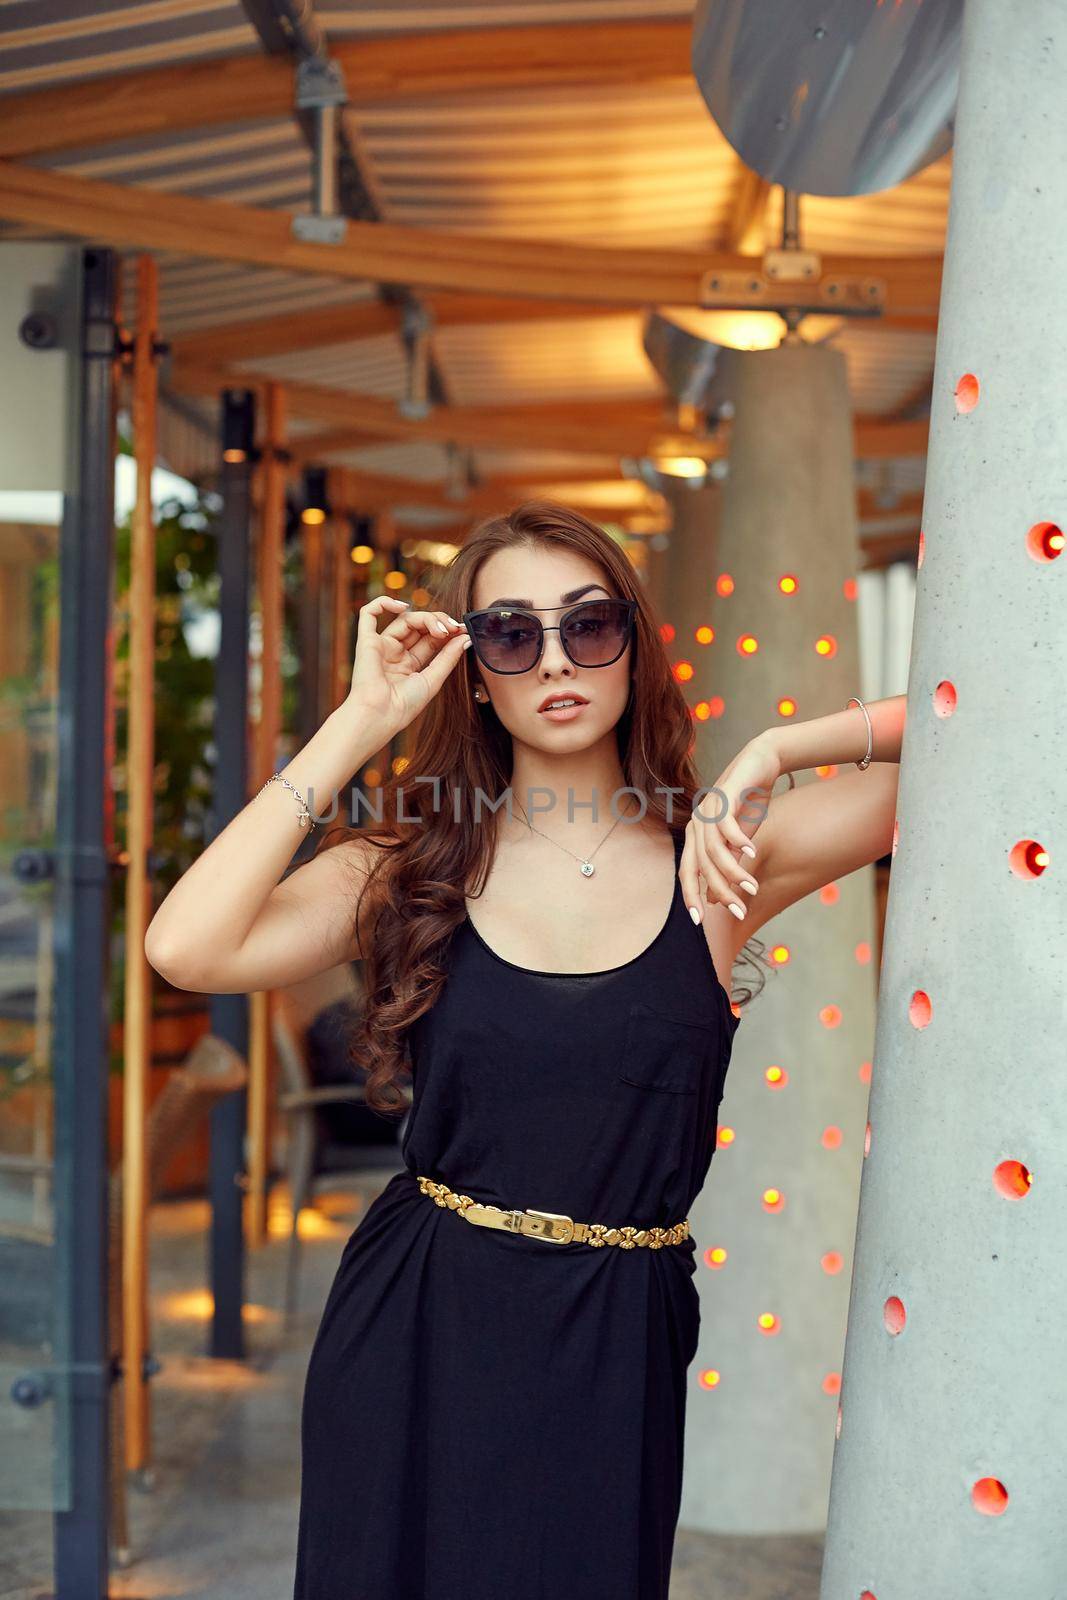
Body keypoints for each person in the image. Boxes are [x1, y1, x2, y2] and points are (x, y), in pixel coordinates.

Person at [145, 500, 904, 1600]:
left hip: (615, 1333)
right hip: (419, 1322)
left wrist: (783, 745)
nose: (554, 658)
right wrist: (359, 720)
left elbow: (984, 720)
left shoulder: (722, 859)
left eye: (588, 624)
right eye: (510, 632)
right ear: (473, 671)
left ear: (633, 646)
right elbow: (185, 944)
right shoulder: (405, 866)